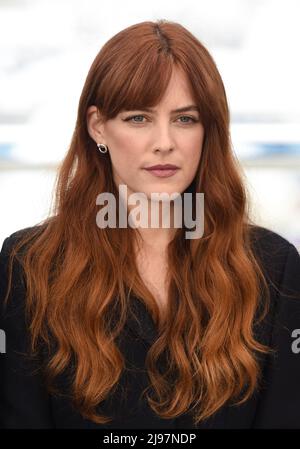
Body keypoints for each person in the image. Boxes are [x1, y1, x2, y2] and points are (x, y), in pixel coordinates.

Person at [1, 19, 300, 430]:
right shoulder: (29, 264)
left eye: (185, 119)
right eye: (139, 118)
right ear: (97, 127)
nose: (165, 142)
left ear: (208, 129)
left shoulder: (273, 266)